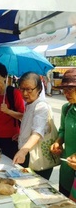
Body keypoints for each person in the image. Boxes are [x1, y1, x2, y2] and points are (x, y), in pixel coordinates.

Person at [12, 72, 53, 180]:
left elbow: (38, 132)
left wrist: (22, 151)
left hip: (36, 157)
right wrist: (22, 135)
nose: (25, 93)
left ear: (39, 88)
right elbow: (30, 123)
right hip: (28, 153)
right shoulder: (30, 104)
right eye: (22, 89)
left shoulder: (41, 106)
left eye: (29, 89)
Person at [0, 62, 25, 159]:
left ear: (5, 77)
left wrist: (8, 111)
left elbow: (23, 115)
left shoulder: (14, 93)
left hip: (11, 138)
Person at [50, 69, 76, 197]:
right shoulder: (67, 108)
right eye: (64, 90)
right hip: (67, 167)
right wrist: (58, 142)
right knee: (64, 200)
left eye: (69, 90)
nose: (65, 94)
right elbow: (63, 130)